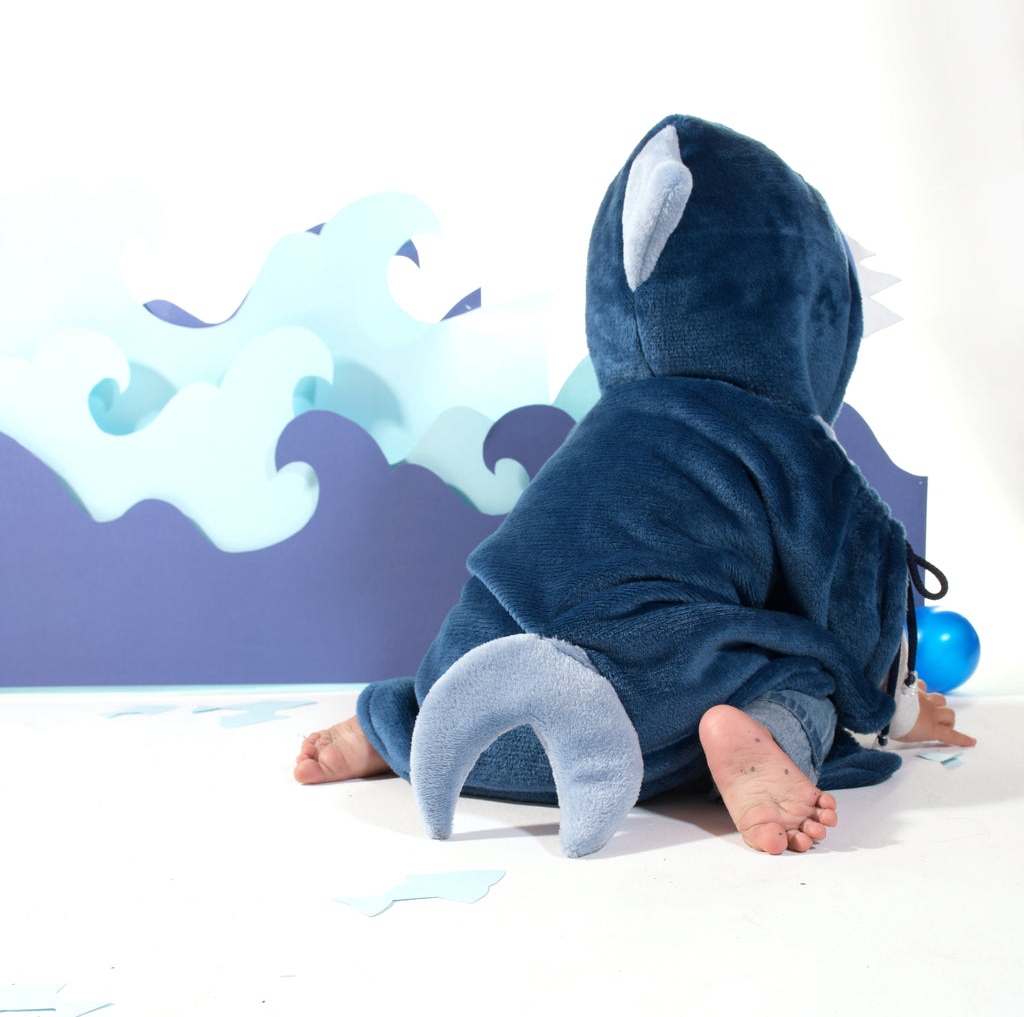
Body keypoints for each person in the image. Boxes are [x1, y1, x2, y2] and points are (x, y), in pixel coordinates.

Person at [294, 115, 975, 855]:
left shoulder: (599, 429)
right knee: (811, 674)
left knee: (486, 633)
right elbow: (856, 597)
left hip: (472, 715)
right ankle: (763, 742)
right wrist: (897, 708)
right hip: (637, 715)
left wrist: (435, 704)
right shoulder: (786, 436)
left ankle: (388, 723)